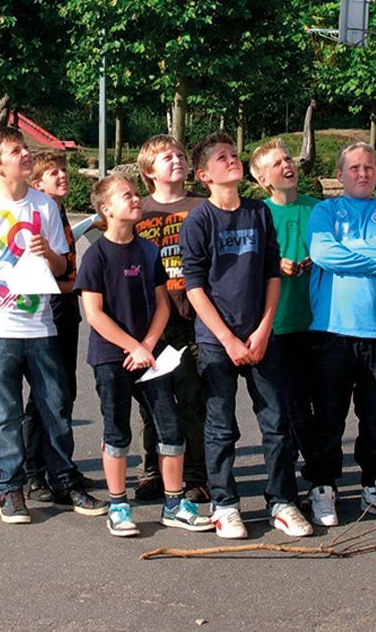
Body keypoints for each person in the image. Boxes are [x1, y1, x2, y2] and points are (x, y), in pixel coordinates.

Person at [0, 127, 105, 525]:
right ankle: (10, 489)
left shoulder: (44, 207)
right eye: (16, 151)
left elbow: (62, 267)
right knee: (6, 413)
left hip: (40, 326)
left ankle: (64, 481)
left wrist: (47, 251)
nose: (27, 154)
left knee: (55, 406)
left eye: (25, 148)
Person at [181, 132, 312, 540]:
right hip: (216, 341)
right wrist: (228, 339)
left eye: (234, 154)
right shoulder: (199, 221)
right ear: (204, 175)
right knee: (221, 426)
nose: (232, 160)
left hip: (261, 338)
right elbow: (195, 288)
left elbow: (272, 274)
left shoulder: (258, 213)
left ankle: (282, 502)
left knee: (276, 422)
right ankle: (225, 505)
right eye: (222, 157)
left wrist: (264, 329)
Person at [76, 174, 212, 536]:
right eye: (127, 195)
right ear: (106, 210)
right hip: (111, 357)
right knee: (117, 431)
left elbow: (162, 304)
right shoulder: (95, 256)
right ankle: (118, 505)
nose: (137, 199)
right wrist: (131, 345)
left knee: (170, 426)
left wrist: (148, 345)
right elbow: (95, 314)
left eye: (136, 194)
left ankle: (174, 504)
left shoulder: (148, 251)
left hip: (150, 356)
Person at [302, 142, 376, 526]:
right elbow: (322, 253)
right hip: (331, 329)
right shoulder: (325, 211)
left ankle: (374, 481)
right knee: (328, 416)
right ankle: (323, 486)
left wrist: (348, 251)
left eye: (369, 167)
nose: (363, 173)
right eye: (354, 168)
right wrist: (374, 262)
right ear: (340, 174)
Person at [131, 134, 208, 502]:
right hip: (151, 323)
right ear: (149, 170)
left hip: (193, 318)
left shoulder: (202, 207)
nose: (177, 160)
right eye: (167, 157)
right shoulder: (138, 210)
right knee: (152, 403)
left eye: (180, 155)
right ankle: (151, 471)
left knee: (193, 401)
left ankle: (195, 475)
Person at [21, 150, 88, 505]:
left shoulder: (57, 211)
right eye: (54, 173)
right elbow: (40, 271)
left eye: (64, 170)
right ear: (37, 183)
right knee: (44, 395)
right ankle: (34, 473)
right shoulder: (37, 216)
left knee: (66, 391)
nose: (63, 176)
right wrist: (79, 285)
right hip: (48, 307)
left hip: (67, 309)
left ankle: (60, 466)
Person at [248, 138, 318, 478]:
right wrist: (276, 265)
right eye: (276, 163)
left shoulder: (318, 209)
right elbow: (249, 265)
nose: (287, 165)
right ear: (263, 180)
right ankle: (298, 474)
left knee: (316, 402)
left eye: (288, 159)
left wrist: (319, 259)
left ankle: (319, 473)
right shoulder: (257, 214)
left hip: (317, 322)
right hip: (278, 325)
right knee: (290, 405)